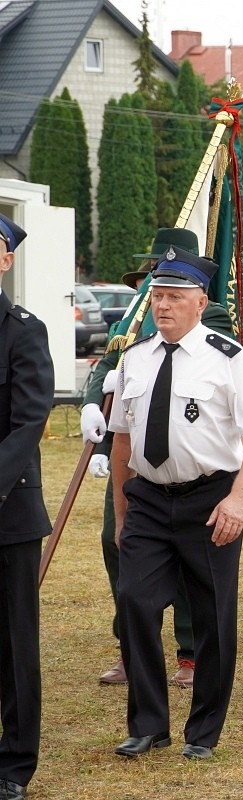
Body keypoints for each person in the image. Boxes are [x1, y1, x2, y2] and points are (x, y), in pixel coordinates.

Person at [108, 248, 243, 760]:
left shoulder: (227, 358)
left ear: (200, 302)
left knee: (212, 619)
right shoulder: (134, 359)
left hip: (210, 501)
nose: (163, 306)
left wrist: (239, 500)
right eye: (157, 296)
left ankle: (202, 733)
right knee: (134, 602)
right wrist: (121, 516)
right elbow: (121, 443)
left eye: (175, 297)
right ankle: (149, 724)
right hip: (150, 502)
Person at [80, 228, 222, 690]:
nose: (153, 290)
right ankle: (131, 647)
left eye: (164, 281)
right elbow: (106, 368)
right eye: (150, 280)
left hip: (186, 461)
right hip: (133, 455)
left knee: (183, 560)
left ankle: (189, 652)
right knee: (115, 543)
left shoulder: (213, 318)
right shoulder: (131, 320)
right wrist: (88, 403)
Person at [0, 212, 51, 800]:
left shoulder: (22, 329)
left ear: (6, 261)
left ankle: (14, 764)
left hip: (7, 512)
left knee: (14, 643)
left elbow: (29, 419)